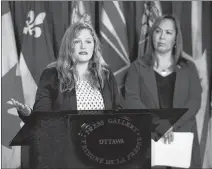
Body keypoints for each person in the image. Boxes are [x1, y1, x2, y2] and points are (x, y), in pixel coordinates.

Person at [11, 21, 122, 168]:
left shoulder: (106, 76)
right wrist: (28, 114)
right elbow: (42, 117)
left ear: (94, 46)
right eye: (77, 41)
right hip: (65, 155)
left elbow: (120, 112)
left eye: (88, 41)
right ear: (69, 46)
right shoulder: (52, 75)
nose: (83, 46)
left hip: (101, 153)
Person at [125, 15, 202, 169]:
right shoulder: (137, 67)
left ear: (175, 39)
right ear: (152, 35)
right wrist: (158, 123)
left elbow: (194, 102)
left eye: (168, 32)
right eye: (158, 31)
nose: (162, 37)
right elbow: (131, 99)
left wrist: (171, 125)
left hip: (182, 139)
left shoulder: (189, 68)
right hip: (149, 138)